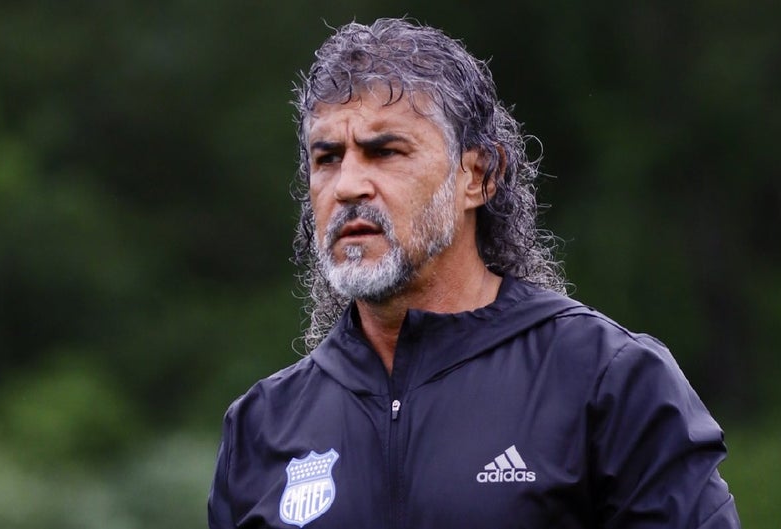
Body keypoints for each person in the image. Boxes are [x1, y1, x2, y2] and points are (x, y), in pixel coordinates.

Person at [208, 17, 741, 529]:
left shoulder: (606, 380)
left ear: (479, 176)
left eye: (384, 151)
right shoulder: (262, 425)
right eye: (327, 158)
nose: (348, 185)